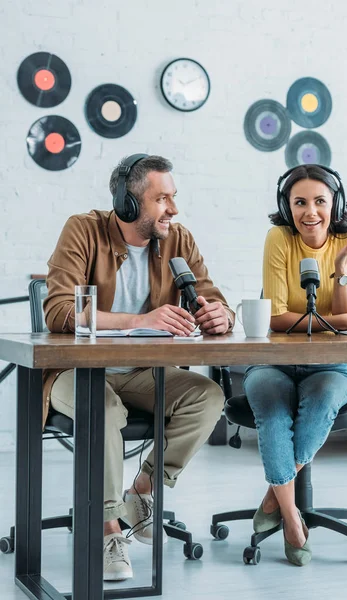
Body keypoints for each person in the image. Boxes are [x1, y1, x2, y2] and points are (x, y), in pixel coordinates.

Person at [43, 154, 235, 581]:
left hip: (143, 371)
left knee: (209, 397)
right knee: (104, 408)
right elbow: (58, 311)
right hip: (75, 373)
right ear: (129, 204)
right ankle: (108, 528)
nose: (173, 209)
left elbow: (212, 294)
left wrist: (222, 315)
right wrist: (139, 321)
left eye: (174, 197)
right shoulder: (84, 230)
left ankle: (142, 493)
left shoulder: (178, 239)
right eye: (162, 199)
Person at [243, 164, 347, 566]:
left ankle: (273, 498)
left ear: (334, 203)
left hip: (329, 366)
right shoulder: (279, 238)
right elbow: (276, 318)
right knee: (272, 413)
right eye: (299, 202)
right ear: (286, 207)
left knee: (321, 403)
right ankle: (290, 518)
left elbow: (345, 313)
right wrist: (342, 323)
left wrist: (340, 269)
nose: (310, 212)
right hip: (273, 362)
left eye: (320, 201)